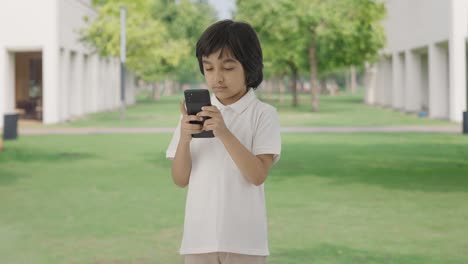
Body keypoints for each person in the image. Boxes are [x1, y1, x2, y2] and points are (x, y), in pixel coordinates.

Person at [166, 19, 281, 264]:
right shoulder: (191, 115)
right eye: (208, 68)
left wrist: (225, 133)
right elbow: (180, 179)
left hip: (245, 243)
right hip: (198, 240)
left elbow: (257, 175)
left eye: (228, 67)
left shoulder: (263, 114)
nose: (217, 77)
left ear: (249, 68)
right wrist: (185, 140)